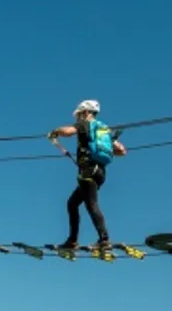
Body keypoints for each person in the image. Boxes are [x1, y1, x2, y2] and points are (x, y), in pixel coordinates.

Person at [48, 99, 126, 249]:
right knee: (72, 204)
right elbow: (122, 151)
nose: (77, 117)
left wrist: (55, 131)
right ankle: (72, 240)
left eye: (79, 114)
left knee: (91, 204)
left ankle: (104, 240)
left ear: (85, 112)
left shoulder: (85, 124)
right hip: (100, 172)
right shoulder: (104, 130)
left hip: (88, 171)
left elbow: (69, 131)